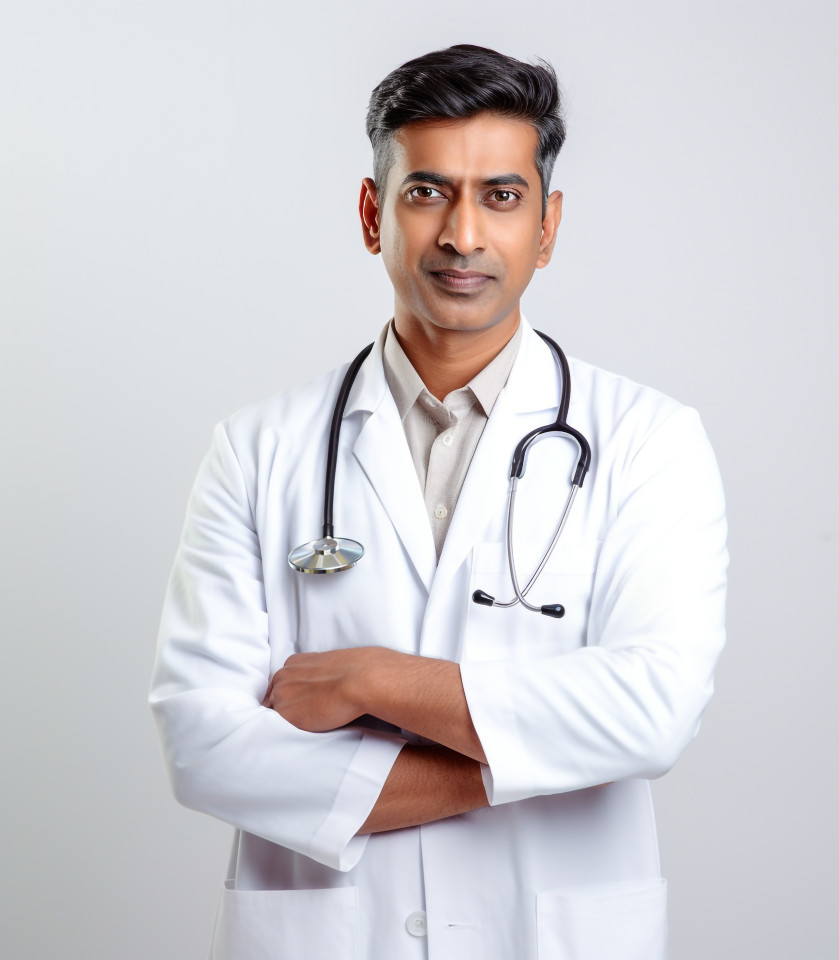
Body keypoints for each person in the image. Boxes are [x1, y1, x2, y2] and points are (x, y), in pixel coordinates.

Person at [150, 43, 728, 960]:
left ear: (547, 225)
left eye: (502, 196)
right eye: (428, 193)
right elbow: (204, 742)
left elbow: (651, 707)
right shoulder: (260, 450)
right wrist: (536, 757)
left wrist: (373, 681)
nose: (464, 234)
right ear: (374, 213)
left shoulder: (649, 441)